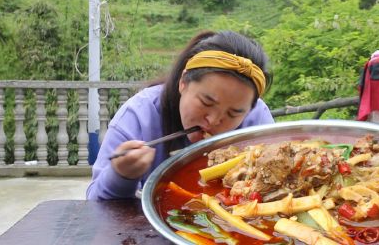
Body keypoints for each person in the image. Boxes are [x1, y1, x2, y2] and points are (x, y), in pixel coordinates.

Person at [86, 30, 274, 200]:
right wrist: (120, 175)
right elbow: (95, 204)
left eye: (233, 113)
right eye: (206, 102)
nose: (214, 120)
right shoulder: (139, 116)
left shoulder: (257, 121)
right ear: (183, 82)